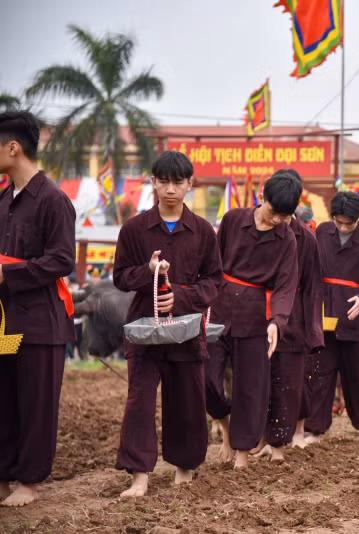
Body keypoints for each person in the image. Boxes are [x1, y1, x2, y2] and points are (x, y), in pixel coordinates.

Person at [112, 151, 222, 497]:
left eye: (178, 182)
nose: (170, 189)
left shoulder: (203, 231)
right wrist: (146, 272)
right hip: (144, 328)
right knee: (140, 400)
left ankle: (184, 468)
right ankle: (139, 476)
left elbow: (215, 281)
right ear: (153, 182)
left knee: (188, 399)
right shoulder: (133, 229)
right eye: (164, 181)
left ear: (190, 184)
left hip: (187, 330)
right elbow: (119, 278)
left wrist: (183, 298)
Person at [0, 111, 76, 507]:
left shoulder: (53, 200)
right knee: (6, 400)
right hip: (6, 324)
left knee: (36, 403)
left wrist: (7, 273)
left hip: (42, 325)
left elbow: (63, 260)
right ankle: (4, 476)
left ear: (13, 148)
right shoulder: (2, 199)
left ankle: (30, 482)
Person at [205, 171, 301, 469]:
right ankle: (224, 424)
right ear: (262, 196)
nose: (277, 221)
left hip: (255, 317)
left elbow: (286, 285)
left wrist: (277, 321)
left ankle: (243, 455)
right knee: (206, 377)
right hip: (219, 311)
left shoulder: (287, 240)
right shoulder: (233, 220)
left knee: (251, 387)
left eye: (284, 217)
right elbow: (211, 262)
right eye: (274, 212)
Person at [306, 191, 359, 446]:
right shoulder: (322, 232)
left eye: (348, 223)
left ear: (358, 218)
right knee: (320, 374)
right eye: (338, 222)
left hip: (356, 318)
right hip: (324, 315)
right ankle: (315, 430)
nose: (342, 227)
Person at [263, 172, 324, 459]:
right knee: (261, 380)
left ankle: (279, 443)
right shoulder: (259, 230)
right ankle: (262, 438)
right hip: (260, 314)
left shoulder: (307, 239)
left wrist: (313, 330)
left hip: (295, 319)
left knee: (288, 383)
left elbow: (313, 288)